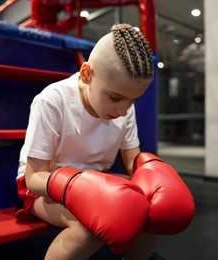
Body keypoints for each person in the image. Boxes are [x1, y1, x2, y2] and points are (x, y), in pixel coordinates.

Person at [16, 23, 194, 259]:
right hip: (44, 188)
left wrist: (153, 173)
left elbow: (132, 161)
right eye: (115, 98)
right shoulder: (52, 100)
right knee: (91, 227)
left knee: (153, 210)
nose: (122, 110)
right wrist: (75, 186)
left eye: (132, 101)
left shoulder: (124, 106)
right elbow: (33, 178)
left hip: (97, 178)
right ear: (87, 74)